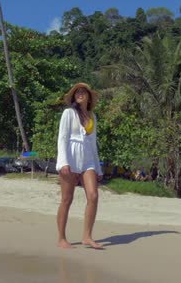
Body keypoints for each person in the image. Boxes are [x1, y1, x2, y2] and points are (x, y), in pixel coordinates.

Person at [56, 82, 104, 249]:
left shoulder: (92, 117)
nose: (80, 93)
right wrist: (63, 162)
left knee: (93, 196)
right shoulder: (68, 113)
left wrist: (98, 167)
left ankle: (87, 237)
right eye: (78, 92)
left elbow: (93, 143)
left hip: (88, 159)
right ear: (74, 96)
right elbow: (62, 138)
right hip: (70, 158)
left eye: (84, 92)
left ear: (89, 97)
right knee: (66, 199)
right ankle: (62, 238)